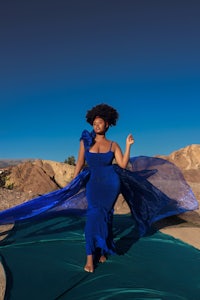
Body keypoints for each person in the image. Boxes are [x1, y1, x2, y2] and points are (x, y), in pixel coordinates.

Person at [72, 103, 134, 272]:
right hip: (93, 183)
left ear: (107, 124)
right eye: (94, 123)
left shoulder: (114, 145)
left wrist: (128, 146)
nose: (96, 125)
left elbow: (122, 164)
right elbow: (79, 162)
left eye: (100, 122)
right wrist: (74, 181)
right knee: (93, 215)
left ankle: (103, 249)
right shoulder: (85, 141)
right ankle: (90, 256)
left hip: (111, 184)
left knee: (105, 215)